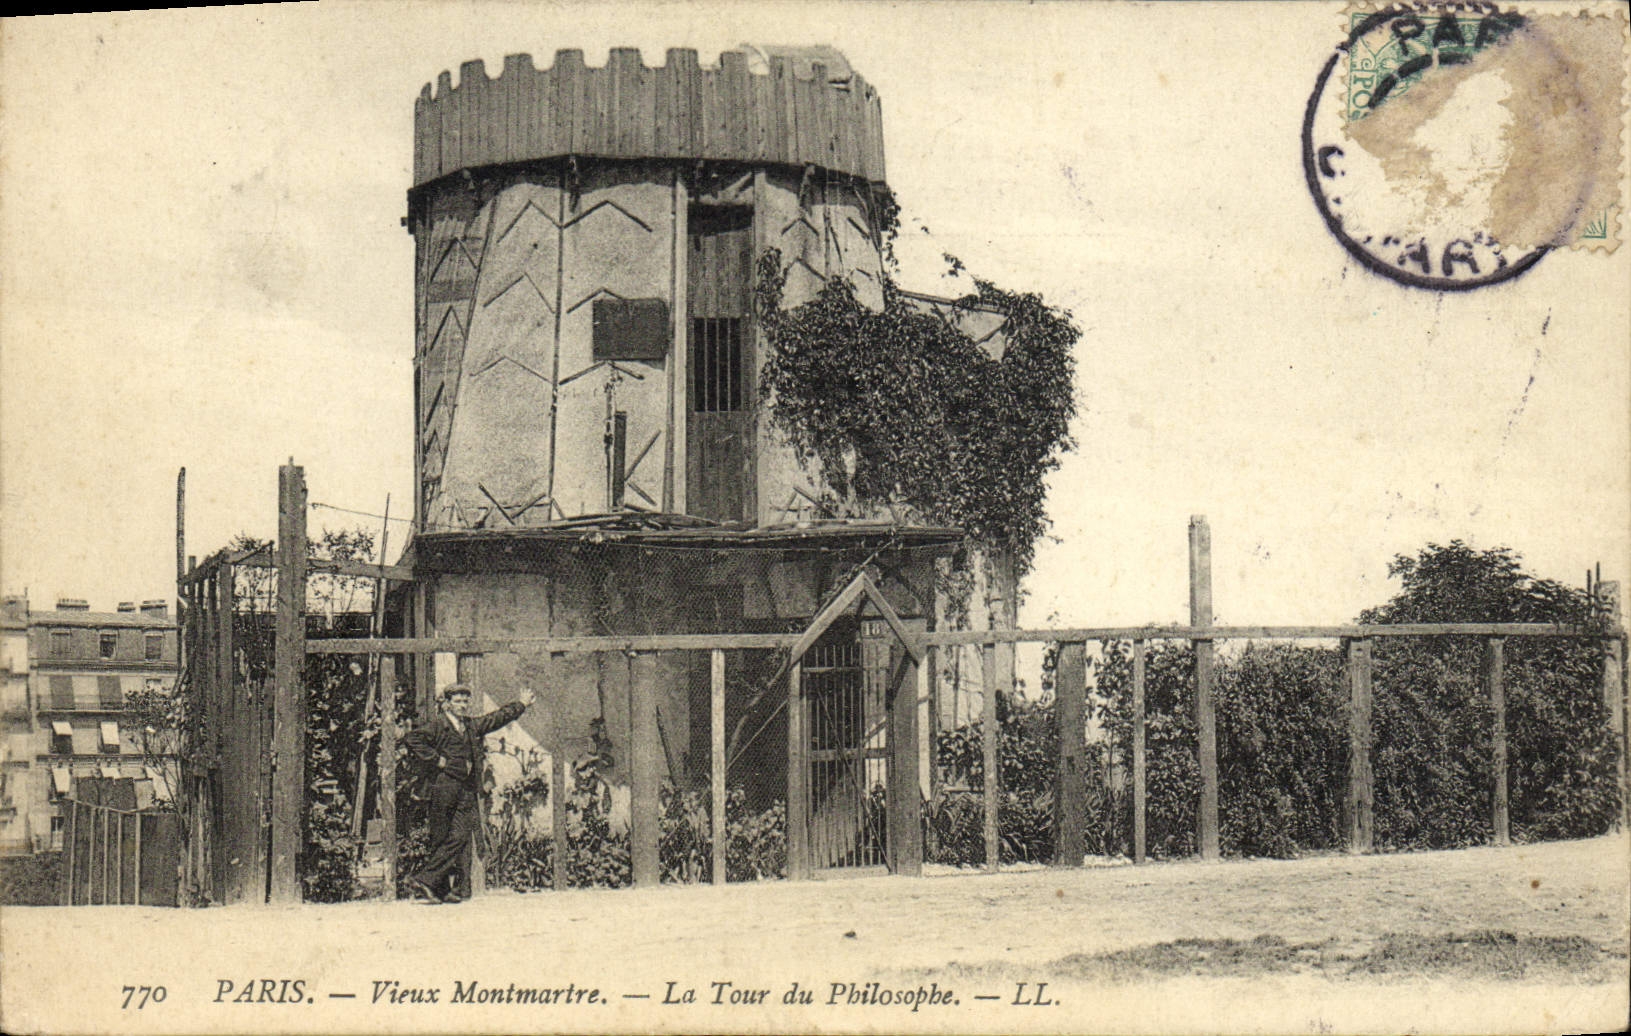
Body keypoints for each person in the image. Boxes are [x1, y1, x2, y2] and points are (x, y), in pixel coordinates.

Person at [404, 681, 535, 903]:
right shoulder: (438, 725)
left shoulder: (471, 726)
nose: (463, 705)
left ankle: (426, 881)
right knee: (440, 838)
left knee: (461, 836)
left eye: (465, 701)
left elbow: (496, 719)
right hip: (443, 788)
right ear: (447, 704)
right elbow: (412, 738)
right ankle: (438, 889)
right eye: (458, 701)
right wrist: (437, 759)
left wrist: (521, 705)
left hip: (464, 789)